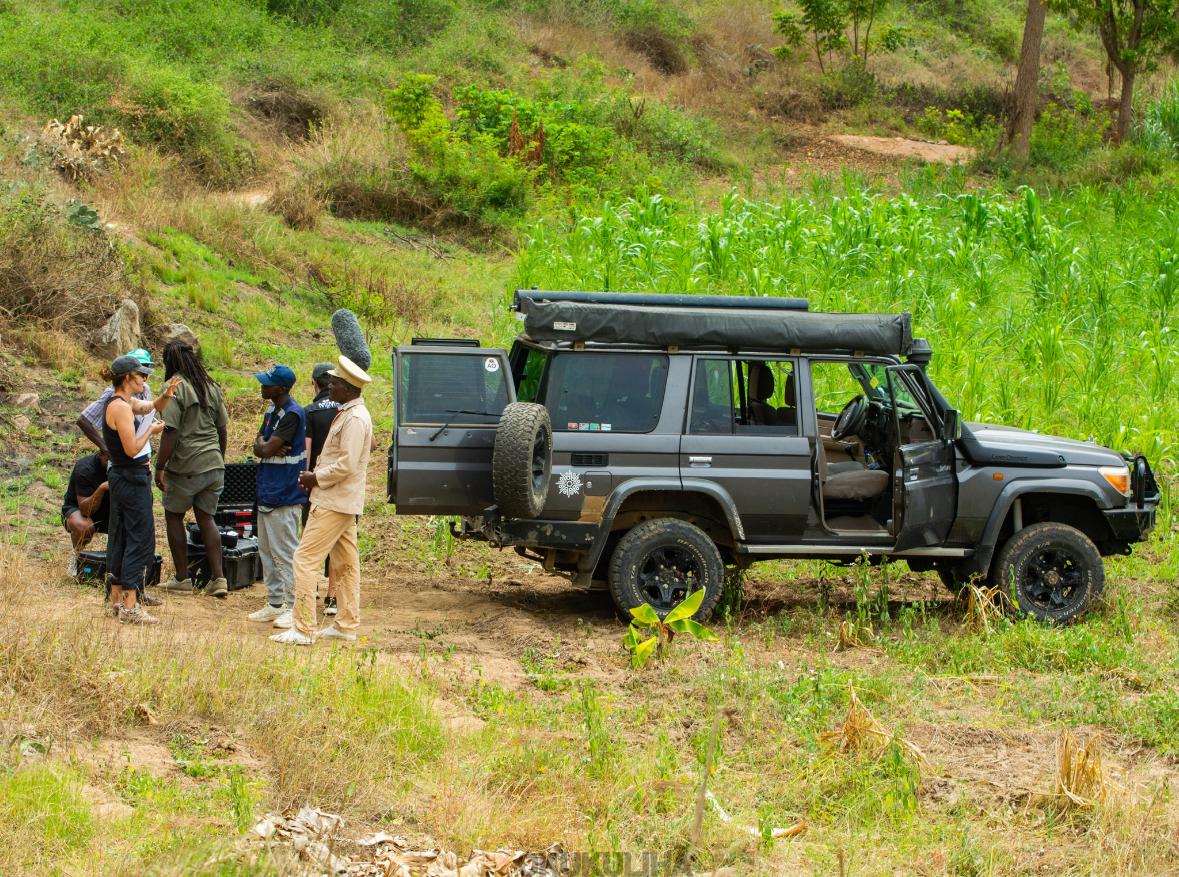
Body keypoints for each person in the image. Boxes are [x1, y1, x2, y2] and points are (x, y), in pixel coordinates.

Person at [272, 355, 373, 646]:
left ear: (349, 388)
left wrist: (315, 477)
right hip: (343, 501)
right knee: (346, 563)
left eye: (336, 383)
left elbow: (347, 464)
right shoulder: (350, 411)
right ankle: (345, 624)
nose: (331, 387)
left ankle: (303, 628)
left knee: (304, 560)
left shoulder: (354, 418)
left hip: (333, 500)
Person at [103, 355, 181, 623]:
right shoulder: (120, 408)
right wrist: (151, 432)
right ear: (127, 378)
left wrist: (166, 394)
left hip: (122, 477)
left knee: (122, 535)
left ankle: (115, 600)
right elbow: (132, 449)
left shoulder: (123, 403)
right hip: (130, 476)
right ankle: (130, 604)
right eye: (140, 376)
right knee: (140, 538)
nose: (144, 380)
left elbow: (151, 406)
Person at [155, 340, 230, 597]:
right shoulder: (211, 386)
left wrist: (160, 465)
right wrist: (219, 457)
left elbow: (171, 431)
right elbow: (222, 429)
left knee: (173, 515)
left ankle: (182, 579)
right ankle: (219, 579)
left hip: (187, 464)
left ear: (170, 362)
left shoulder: (174, 387)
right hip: (213, 464)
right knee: (206, 518)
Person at [247, 365, 307, 628]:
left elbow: (265, 446)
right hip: (268, 490)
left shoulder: (293, 413)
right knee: (267, 551)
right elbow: (260, 444)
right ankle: (274, 602)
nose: (263, 386)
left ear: (281, 388)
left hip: (284, 492)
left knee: (285, 552)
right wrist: (264, 446)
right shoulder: (273, 411)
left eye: (268, 383)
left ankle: (295, 606)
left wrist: (265, 446)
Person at [303, 362, 340, 616]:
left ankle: (312, 587)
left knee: (311, 536)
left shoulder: (310, 411)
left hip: (316, 482)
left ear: (315, 383)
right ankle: (333, 597)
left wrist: (305, 480)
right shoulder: (346, 409)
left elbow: (307, 450)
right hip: (340, 483)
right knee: (338, 540)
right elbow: (370, 445)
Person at [78, 348, 154, 455]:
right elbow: (83, 420)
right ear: (128, 374)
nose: (144, 376)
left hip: (142, 453)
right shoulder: (113, 393)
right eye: (140, 371)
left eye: (146, 368)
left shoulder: (145, 389)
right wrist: (105, 448)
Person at [62, 450, 111, 576]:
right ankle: (77, 558)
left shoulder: (125, 467)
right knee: (84, 527)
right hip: (81, 511)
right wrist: (102, 488)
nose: (113, 463)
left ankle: (114, 560)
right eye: (110, 458)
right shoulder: (85, 468)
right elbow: (85, 510)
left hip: (111, 513)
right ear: (101, 454)